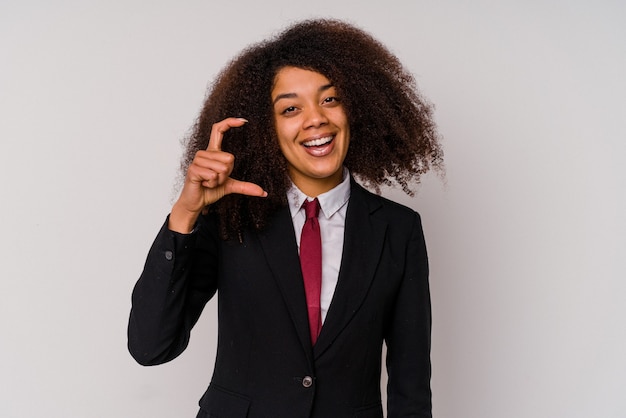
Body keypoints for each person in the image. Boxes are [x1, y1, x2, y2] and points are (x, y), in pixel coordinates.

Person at [128, 18, 443, 418]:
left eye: (330, 99)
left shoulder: (398, 230)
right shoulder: (230, 218)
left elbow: (410, 384)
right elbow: (151, 345)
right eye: (291, 108)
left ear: (356, 107)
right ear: (266, 128)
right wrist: (187, 213)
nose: (316, 119)